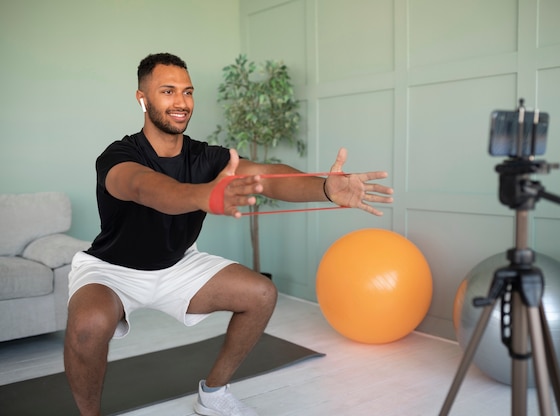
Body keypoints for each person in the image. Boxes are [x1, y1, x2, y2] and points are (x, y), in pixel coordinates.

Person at [64, 52, 394, 416]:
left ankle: (214, 393)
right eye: (168, 91)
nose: (181, 102)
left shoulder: (205, 157)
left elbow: (265, 175)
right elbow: (146, 188)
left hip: (177, 264)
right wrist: (206, 195)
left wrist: (326, 190)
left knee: (261, 293)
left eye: (187, 92)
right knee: (88, 324)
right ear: (142, 98)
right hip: (113, 270)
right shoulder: (118, 156)